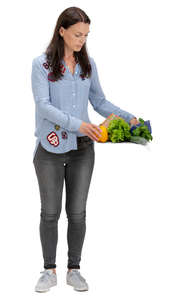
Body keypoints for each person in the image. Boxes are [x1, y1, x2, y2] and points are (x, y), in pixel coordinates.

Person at [31, 6, 139, 293]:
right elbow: (44, 106)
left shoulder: (88, 66)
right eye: (77, 34)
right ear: (61, 31)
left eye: (86, 35)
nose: (82, 40)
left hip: (82, 149)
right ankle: (49, 270)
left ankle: (74, 270)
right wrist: (78, 124)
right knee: (50, 212)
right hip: (49, 149)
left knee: (77, 212)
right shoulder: (40, 65)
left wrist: (128, 117)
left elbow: (100, 102)